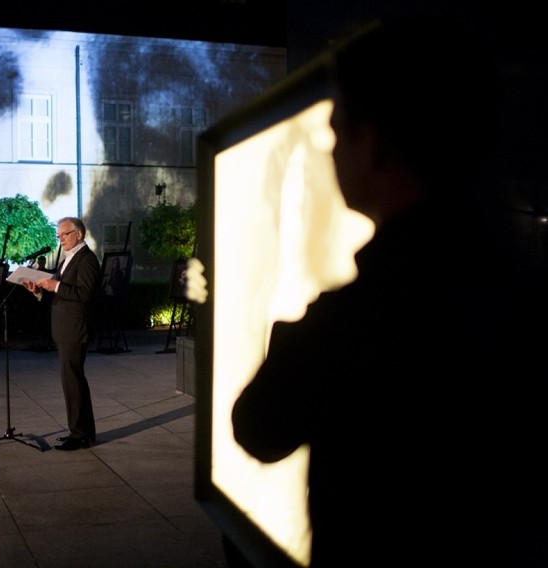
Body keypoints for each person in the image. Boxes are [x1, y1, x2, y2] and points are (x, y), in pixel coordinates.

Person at [230, 16, 548, 568]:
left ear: (373, 144)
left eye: (336, 132)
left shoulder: (366, 313)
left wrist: (297, 332)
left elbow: (258, 425)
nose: (330, 154)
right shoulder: (512, 285)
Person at [21, 217, 101, 450]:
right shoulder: (69, 258)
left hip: (75, 328)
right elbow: (62, 291)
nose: (61, 239)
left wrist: (55, 286)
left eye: (64, 234)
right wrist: (39, 290)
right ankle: (83, 432)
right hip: (66, 327)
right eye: (59, 236)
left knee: (73, 381)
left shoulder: (86, 259)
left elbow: (85, 294)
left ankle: (80, 435)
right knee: (72, 380)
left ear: (79, 234)